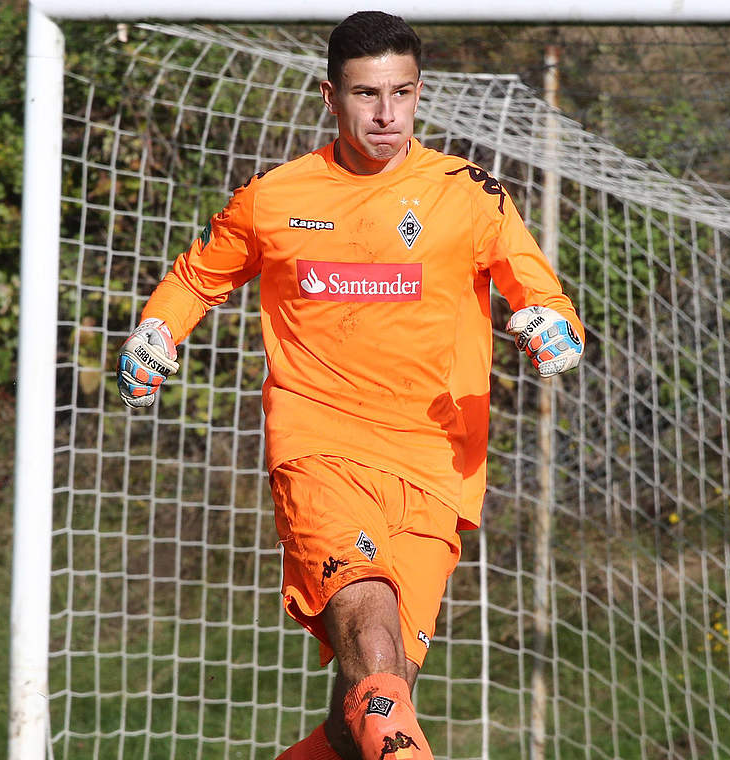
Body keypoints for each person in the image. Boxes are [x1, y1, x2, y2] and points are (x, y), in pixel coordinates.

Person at [114, 11, 584, 760]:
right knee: (370, 638)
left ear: (420, 91)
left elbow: (543, 297)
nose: (387, 115)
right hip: (320, 447)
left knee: (368, 706)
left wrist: (556, 332)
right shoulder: (273, 197)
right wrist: (154, 333)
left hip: (437, 468)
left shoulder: (468, 194)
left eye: (401, 93)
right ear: (330, 98)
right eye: (367, 95)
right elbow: (195, 279)